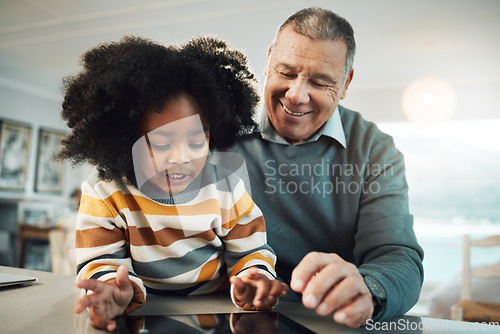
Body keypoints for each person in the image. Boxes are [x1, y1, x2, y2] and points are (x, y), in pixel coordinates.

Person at [58, 36, 287, 331]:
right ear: (127, 139)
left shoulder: (227, 189)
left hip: (217, 317)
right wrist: (110, 289)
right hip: (143, 314)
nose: (181, 157)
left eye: (196, 141)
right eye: (161, 143)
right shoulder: (105, 194)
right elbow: (101, 262)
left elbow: (251, 252)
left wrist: (255, 278)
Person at [232, 7, 424, 328]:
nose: (296, 95)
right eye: (286, 71)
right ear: (267, 61)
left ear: (345, 83)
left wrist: (369, 287)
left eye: (320, 82)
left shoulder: (375, 148)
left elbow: (397, 256)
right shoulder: (220, 125)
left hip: (328, 323)